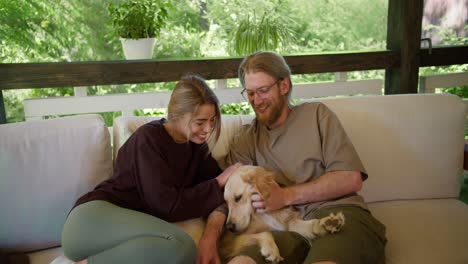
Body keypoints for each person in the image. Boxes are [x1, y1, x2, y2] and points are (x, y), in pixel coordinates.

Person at [196, 51, 387, 264]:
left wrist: (285, 196)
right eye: (250, 93)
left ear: (284, 86)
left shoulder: (317, 115)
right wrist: (209, 239)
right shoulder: (246, 139)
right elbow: (227, 196)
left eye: (263, 90)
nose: (256, 101)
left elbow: (350, 179)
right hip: (283, 228)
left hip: (338, 214)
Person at [60, 74, 240, 264]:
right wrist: (218, 181)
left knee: (178, 251)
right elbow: (166, 206)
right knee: (182, 246)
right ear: (177, 114)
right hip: (90, 222)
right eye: (200, 122)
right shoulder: (148, 139)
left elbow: (220, 193)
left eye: (212, 120)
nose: (208, 129)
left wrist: (211, 233)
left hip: (124, 236)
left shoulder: (196, 147)